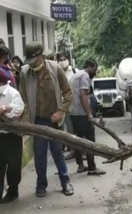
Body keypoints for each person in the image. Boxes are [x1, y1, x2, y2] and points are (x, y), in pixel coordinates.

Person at [19, 41, 74, 197]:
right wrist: (26, 121)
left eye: (34, 61)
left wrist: (60, 111)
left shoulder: (55, 69)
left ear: (42, 56)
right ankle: (41, 184)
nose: (31, 65)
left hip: (54, 120)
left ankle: (65, 182)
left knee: (58, 152)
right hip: (37, 121)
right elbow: (24, 99)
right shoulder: (24, 73)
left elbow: (68, 93)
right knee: (40, 154)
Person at [69, 59, 106, 175]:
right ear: (90, 67)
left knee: (78, 140)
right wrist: (89, 113)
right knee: (90, 140)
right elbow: (83, 95)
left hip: (73, 113)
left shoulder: (75, 75)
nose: (95, 72)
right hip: (82, 113)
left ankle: (80, 165)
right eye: (94, 69)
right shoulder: (84, 76)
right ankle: (92, 168)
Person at [0, 50, 25, 204]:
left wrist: (6, 110)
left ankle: (12, 191)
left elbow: (18, 109)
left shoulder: (12, 93)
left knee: (14, 165)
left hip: (11, 134)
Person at [57, 52, 76, 157]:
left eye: (64, 59)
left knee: (71, 128)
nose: (63, 61)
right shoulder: (55, 71)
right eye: (60, 59)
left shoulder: (73, 71)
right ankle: (61, 149)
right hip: (59, 105)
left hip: (71, 104)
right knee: (60, 128)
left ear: (68, 60)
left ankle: (73, 150)